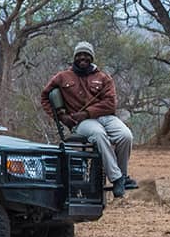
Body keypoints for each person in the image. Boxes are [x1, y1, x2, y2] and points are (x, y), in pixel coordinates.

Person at [39, 41, 136, 197]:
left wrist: (87, 112)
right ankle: (117, 179)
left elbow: (110, 104)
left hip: (105, 117)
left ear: (91, 58)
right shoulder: (62, 77)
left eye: (86, 55)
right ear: (74, 58)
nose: (82, 58)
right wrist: (61, 117)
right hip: (81, 123)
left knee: (126, 135)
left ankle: (123, 175)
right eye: (79, 55)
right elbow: (45, 96)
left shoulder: (103, 77)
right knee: (98, 135)